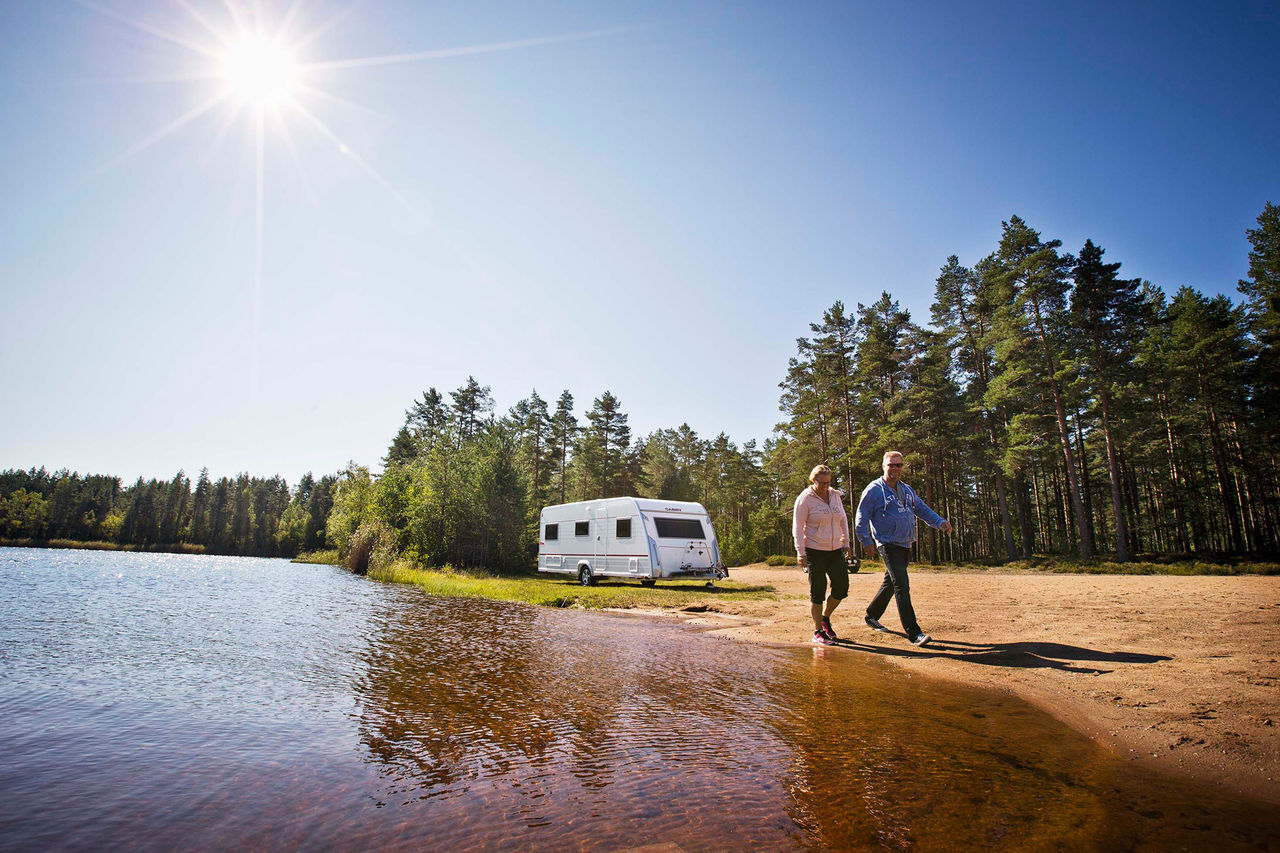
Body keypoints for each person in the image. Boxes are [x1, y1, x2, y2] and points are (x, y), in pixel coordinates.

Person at [854, 451, 953, 647]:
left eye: (898, 465)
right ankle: (914, 632)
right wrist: (866, 540)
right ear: (883, 466)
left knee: (891, 583)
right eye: (891, 465)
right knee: (901, 585)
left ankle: (871, 615)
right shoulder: (874, 490)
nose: (895, 468)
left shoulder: (907, 490)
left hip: (905, 543)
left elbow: (922, 509)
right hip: (887, 543)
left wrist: (940, 522)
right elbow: (861, 517)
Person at [793, 464, 854, 645]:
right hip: (814, 551)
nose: (825, 486)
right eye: (822, 483)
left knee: (841, 588)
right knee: (817, 592)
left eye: (828, 482)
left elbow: (843, 519)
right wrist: (800, 552)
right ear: (814, 480)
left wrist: (846, 542)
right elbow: (797, 527)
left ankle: (825, 618)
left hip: (835, 549)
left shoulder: (835, 496)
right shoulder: (805, 499)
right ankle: (817, 631)